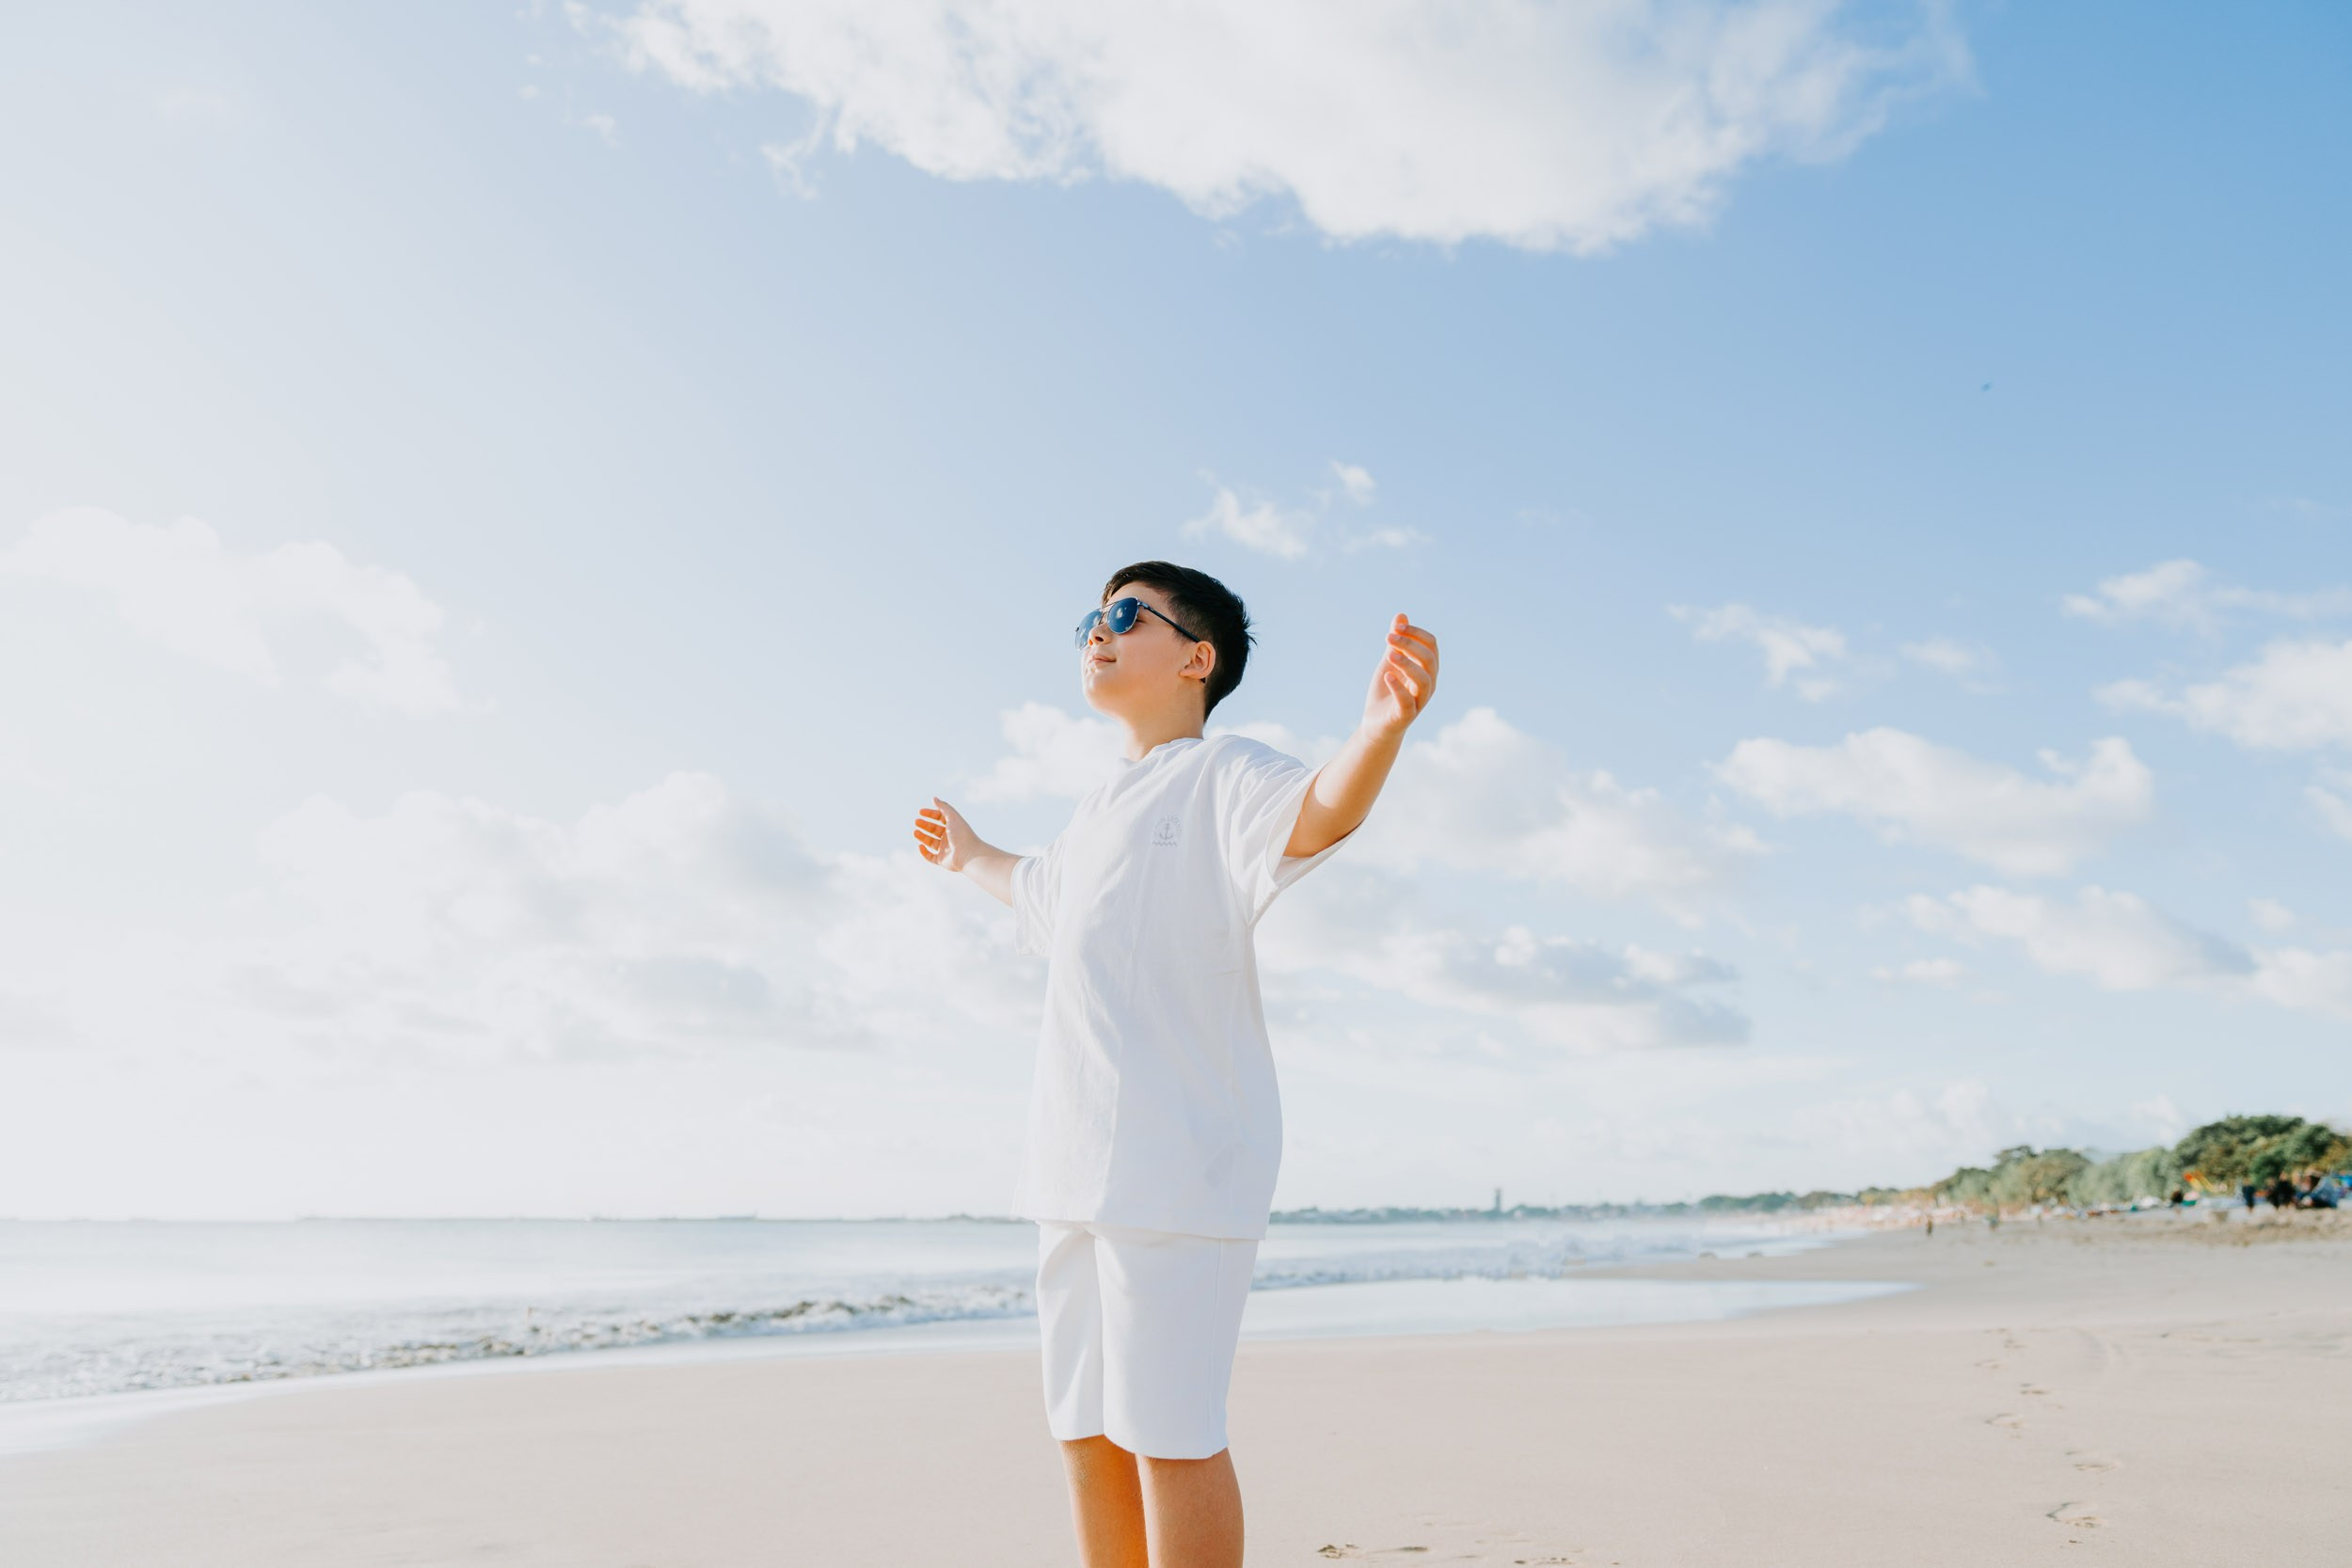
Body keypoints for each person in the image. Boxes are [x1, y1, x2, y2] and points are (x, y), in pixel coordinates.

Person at [914, 562, 1438, 1568]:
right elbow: (1035, 893)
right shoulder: (1097, 802)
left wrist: (1379, 729)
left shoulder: (1223, 770)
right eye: (1089, 618)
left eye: (1122, 616)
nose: (1095, 633)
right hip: (1068, 1168)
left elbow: (1320, 812)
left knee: (1168, 1430)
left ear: (1196, 658)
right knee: (1086, 1428)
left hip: (1177, 1165)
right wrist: (969, 853)